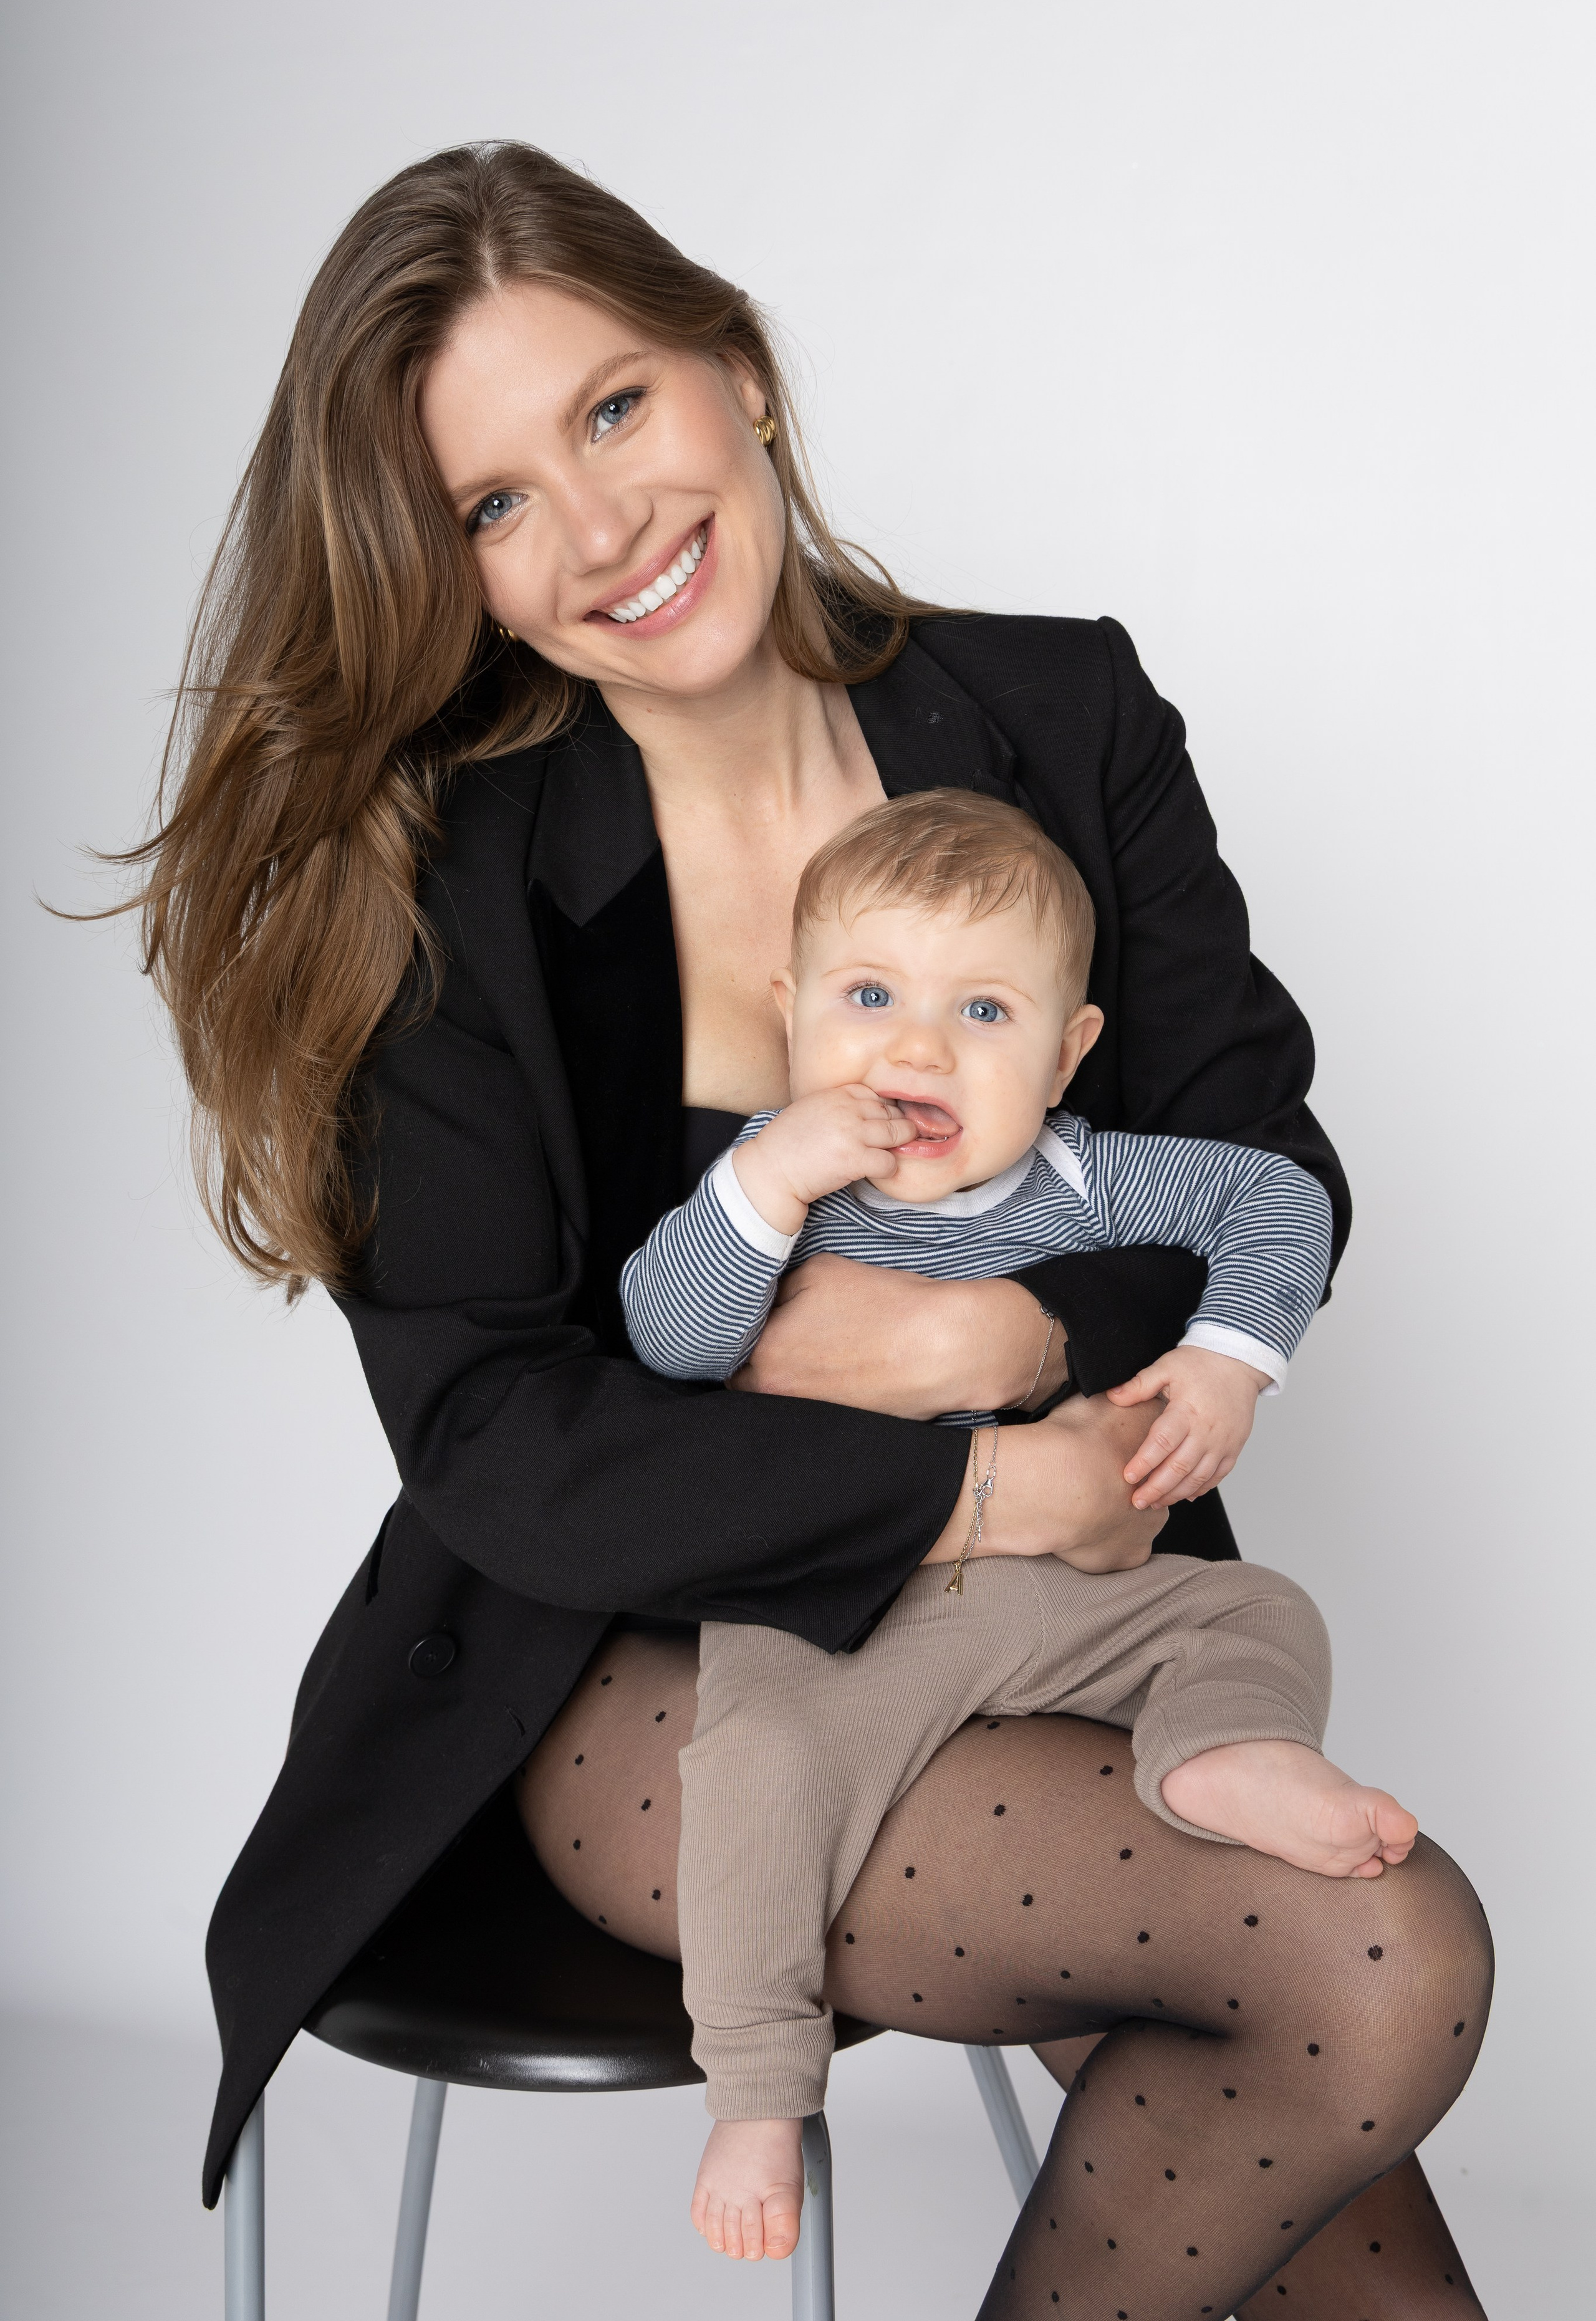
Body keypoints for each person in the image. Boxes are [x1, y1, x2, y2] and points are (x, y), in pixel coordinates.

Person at [128, 140, 1490, 2315]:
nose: (599, 531)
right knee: (1375, 1945)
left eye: (612, 412)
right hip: (655, 1692)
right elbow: (499, 1434)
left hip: (1056, 1620)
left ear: (735, 371)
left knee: (1354, 2032)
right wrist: (950, 1487)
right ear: (451, 568)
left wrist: (1008, 1349)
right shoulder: (447, 899)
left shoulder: (1064, 713)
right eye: (492, 504)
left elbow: (1259, 1155)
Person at [620, 787, 1418, 2257]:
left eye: (981, 1012)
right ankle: (754, 2085)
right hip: (842, 1613)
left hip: (1057, 1594)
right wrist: (772, 1172)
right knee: (754, 1767)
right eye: (867, 997)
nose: (913, 1048)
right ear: (788, 1013)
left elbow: (1280, 1204)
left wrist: (1228, 1361)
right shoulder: (769, 1186)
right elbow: (666, 1343)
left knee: (1256, 1612)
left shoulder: (1086, 1173)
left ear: (1066, 1054)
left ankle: (1218, 1755)